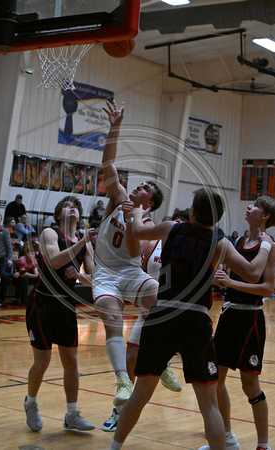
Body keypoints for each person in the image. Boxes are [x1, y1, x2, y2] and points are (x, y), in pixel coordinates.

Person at [109, 188, 274, 450]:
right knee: (208, 404)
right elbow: (254, 274)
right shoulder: (220, 243)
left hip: (162, 314)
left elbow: (138, 233)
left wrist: (136, 215)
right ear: (216, 219)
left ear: (193, 211)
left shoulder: (170, 228)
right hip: (195, 319)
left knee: (140, 394)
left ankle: (114, 447)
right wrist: (266, 246)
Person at [91, 99, 164, 409]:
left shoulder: (149, 225)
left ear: (151, 201)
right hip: (105, 272)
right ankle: (122, 378)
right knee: (111, 317)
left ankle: (165, 357)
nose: (139, 185)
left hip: (131, 272)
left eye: (146, 186)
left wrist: (133, 220)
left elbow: (136, 251)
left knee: (161, 295)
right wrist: (115, 127)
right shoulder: (119, 195)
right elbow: (108, 164)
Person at [199, 196, 275, 450]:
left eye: (255, 206)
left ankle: (263, 445)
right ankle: (228, 439)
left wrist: (231, 283)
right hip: (229, 316)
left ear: (264, 216)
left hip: (250, 318)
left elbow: (266, 289)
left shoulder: (270, 246)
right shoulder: (240, 241)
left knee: (249, 384)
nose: (248, 207)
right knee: (216, 380)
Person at [24, 195, 97, 433]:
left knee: (72, 362)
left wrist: (79, 276)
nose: (73, 208)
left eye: (75, 206)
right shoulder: (50, 233)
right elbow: (55, 261)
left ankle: (72, 414)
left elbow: (93, 278)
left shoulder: (83, 241)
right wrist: (83, 242)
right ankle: (31, 402)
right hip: (42, 302)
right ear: (58, 215)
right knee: (42, 362)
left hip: (66, 304)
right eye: (67, 205)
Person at [103, 237, 182, 432]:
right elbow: (138, 274)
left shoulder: (188, 248)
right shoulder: (153, 244)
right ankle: (120, 410)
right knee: (130, 357)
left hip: (178, 308)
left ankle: (220, 424)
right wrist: (142, 304)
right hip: (151, 304)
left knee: (204, 366)